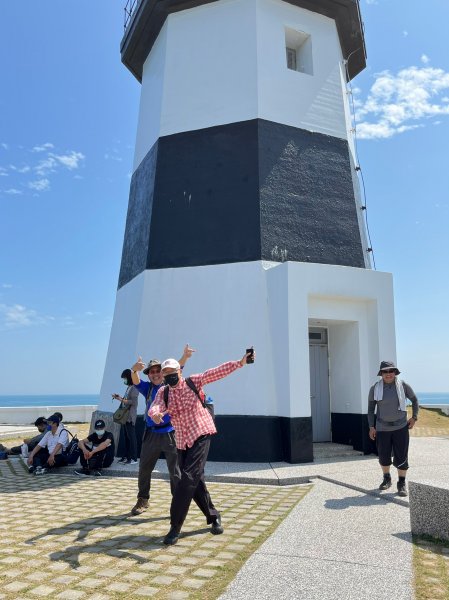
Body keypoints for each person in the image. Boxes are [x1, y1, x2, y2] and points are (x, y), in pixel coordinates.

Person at [149, 350, 255, 545]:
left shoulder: (193, 381)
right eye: (166, 373)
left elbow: (215, 372)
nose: (170, 375)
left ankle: (174, 527)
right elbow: (154, 406)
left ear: (179, 372)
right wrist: (155, 414)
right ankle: (214, 516)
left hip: (201, 433)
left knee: (187, 478)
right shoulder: (164, 393)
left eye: (173, 371)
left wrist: (239, 362)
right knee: (196, 481)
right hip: (181, 439)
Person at [129, 345, 194, 515]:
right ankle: (143, 500)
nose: (156, 374)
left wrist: (185, 357)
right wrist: (133, 370)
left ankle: (178, 504)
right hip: (151, 434)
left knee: (175, 472)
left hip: (171, 433)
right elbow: (135, 380)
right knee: (144, 468)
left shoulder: (169, 384)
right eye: (152, 372)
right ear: (148, 375)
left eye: (159, 370)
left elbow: (177, 368)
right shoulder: (147, 388)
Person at [368, 360, 419, 497]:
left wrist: (414, 417)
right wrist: (371, 427)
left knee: (401, 455)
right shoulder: (375, 388)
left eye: (391, 371)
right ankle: (386, 479)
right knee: (383, 456)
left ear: (395, 372)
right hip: (382, 427)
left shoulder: (403, 386)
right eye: (385, 371)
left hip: (401, 427)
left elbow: (414, 400)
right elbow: (371, 408)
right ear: (381, 374)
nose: (388, 374)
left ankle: (401, 483)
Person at [112, 369, 139, 464]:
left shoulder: (135, 388)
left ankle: (134, 458)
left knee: (132, 438)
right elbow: (127, 399)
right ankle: (127, 456)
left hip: (130, 416)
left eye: (125, 378)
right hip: (125, 416)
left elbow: (133, 402)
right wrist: (119, 397)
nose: (124, 380)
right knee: (126, 438)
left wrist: (121, 400)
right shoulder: (129, 387)